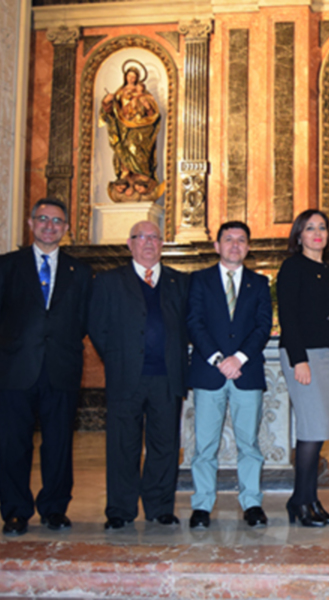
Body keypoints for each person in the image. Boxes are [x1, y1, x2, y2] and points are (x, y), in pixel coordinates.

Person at [88, 220, 189, 530]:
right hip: (125, 376)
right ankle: (120, 509)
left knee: (165, 446)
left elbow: (187, 326)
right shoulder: (108, 281)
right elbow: (97, 326)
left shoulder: (179, 282)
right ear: (129, 244)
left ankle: (160, 507)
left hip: (167, 378)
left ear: (162, 245)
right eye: (140, 237)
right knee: (122, 445)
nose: (148, 243)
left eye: (154, 238)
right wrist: (119, 359)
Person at [0, 198, 92, 537]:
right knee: (13, 444)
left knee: (58, 443)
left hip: (61, 368)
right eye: (43, 219)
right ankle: (15, 510)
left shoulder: (79, 271)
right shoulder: (7, 266)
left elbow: (83, 319)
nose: (49, 225)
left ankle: (54, 508)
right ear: (30, 223)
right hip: (14, 369)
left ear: (66, 229)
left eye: (57, 221)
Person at [186, 221, 273, 529]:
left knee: (249, 444)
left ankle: (251, 503)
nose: (235, 245)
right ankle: (202, 505)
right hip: (209, 372)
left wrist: (239, 358)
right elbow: (194, 322)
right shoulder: (198, 280)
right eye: (228, 239)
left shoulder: (260, 283)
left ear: (248, 247)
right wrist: (220, 359)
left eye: (241, 240)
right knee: (205, 445)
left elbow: (263, 326)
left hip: (246, 373)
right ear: (217, 245)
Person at [277, 209, 329, 527]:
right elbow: (288, 315)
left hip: (326, 357)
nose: (318, 233)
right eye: (310, 228)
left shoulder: (326, 270)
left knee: (321, 430)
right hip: (303, 357)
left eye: (322, 228)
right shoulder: (292, 267)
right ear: (299, 235)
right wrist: (298, 359)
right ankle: (301, 501)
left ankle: (309, 499)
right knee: (310, 431)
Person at [100, 65, 161, 202]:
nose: (132, 78)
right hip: (124, 126)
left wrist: (146, 105)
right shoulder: (120, 92)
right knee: (124, 146)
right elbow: (112, 111)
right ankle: (126, 172)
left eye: (134, 77)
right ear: (125, 76)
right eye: (130, 76)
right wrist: (106, 102)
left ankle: (142, 174)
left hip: (141, 128)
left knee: (138, 147)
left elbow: (153, 114)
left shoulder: (145, 95)